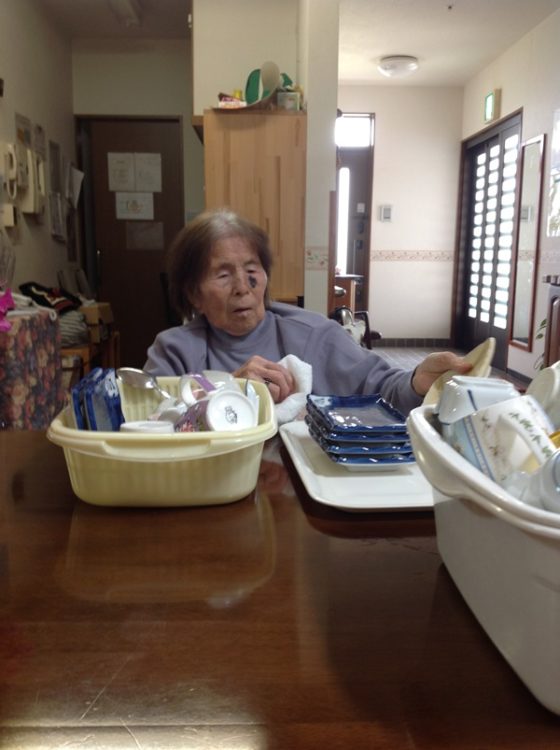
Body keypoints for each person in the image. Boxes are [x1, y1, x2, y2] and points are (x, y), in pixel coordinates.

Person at [145, 209, 471, 416]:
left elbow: (384, 388)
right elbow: (153, 421)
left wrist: (417, 381)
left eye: (251, 270)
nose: (243, 287)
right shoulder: (174, 350)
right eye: (223, 275)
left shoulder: (314, 334)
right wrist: (230, 390)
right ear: (194, 294)